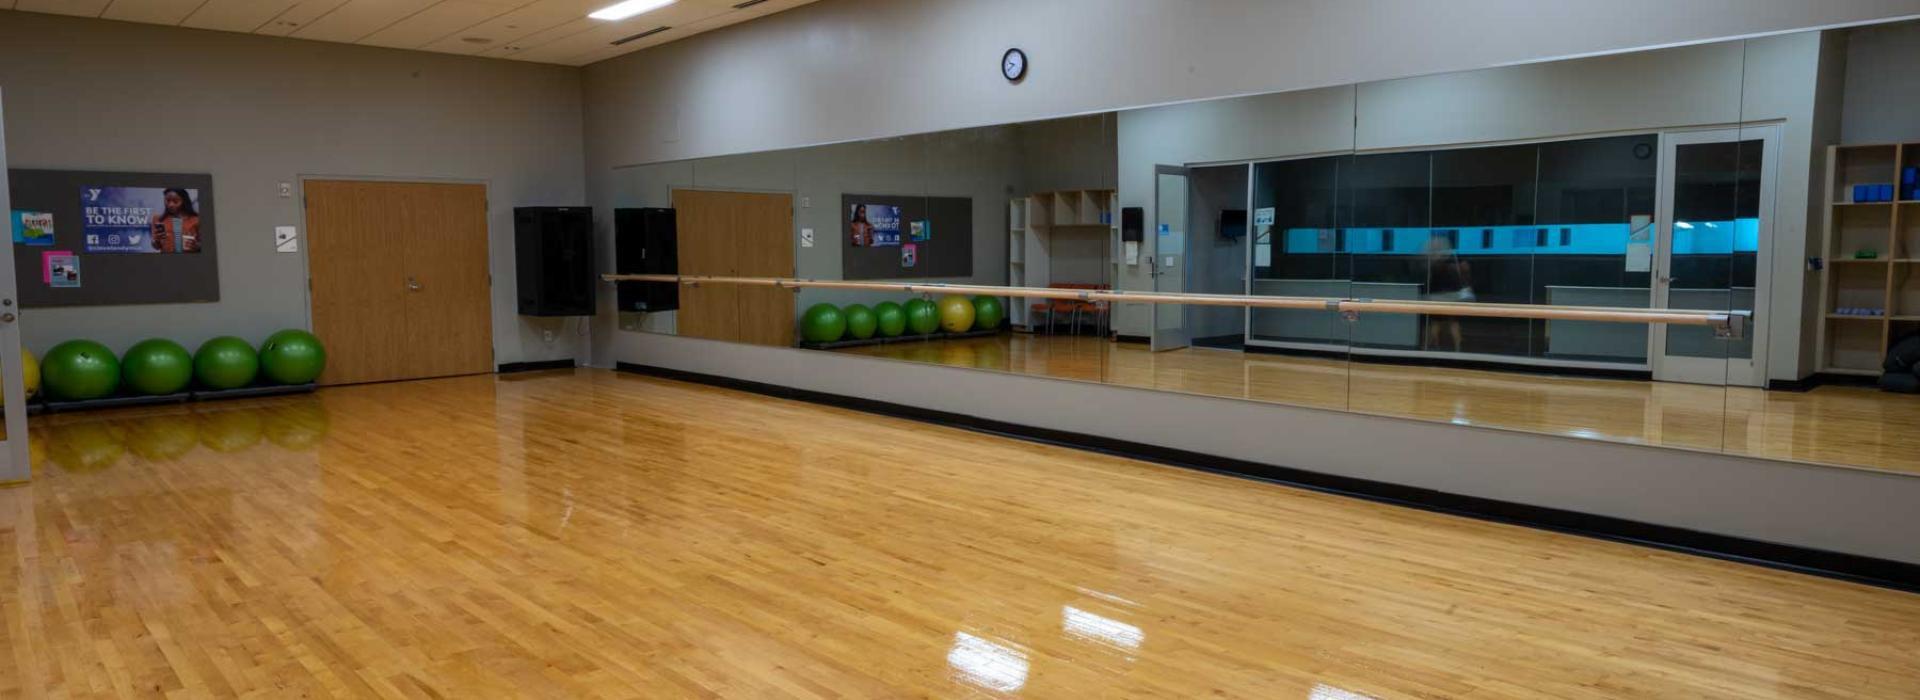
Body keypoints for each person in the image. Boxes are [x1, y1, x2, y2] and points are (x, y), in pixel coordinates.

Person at [1423, 235, 1473, 351]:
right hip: (1453, 295)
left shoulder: (1435, 260)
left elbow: (1431, 278)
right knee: (1453, 322)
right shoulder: (1455, 258)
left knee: (1436, 323)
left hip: (1438, 295)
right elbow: (1465, 271)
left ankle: (1433, 347)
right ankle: (1457, 348)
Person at [149, 188, 201, 253]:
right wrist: (156, 240)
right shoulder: (158, 219)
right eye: (167, 201)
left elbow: (205, 245)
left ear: (184, 201)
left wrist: (196, 246)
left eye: (175, 201)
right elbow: (156, 247)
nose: (171, 205)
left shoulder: (196, 220)